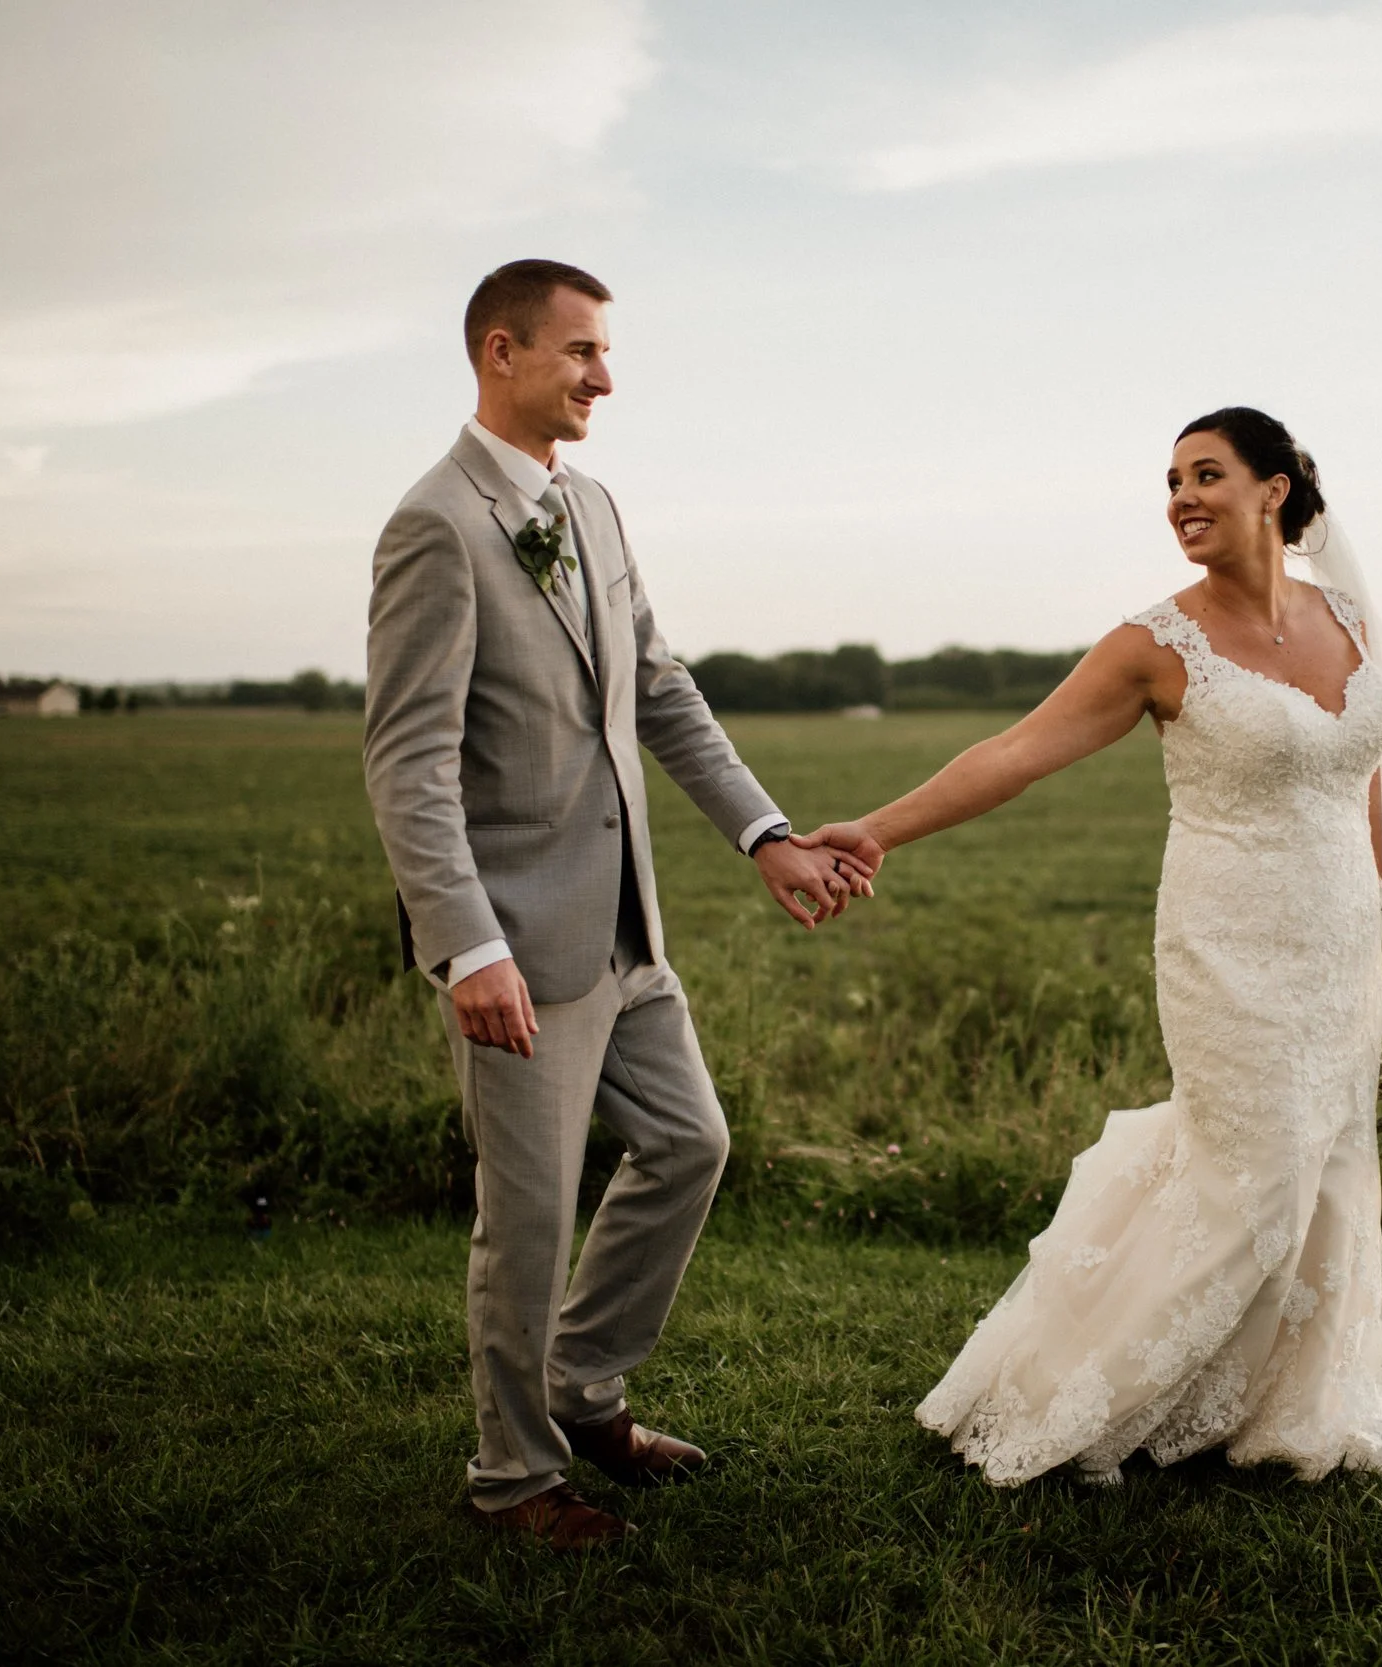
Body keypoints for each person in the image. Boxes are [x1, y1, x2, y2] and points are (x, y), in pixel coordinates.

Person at [797, 407, 1382, 1486]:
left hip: (1335, 943)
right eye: (1171, 480)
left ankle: (1281, 1399)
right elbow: (1016, 752)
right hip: (1224, 939)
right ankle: (1086, 1395)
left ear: (1275, 489)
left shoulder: (1352, 620)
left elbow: (1369, 789)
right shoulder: (1152, 643)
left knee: (1325, 1168)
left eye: (1206, 473)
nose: (1179, 496)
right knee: (1257, 1168)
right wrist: (877, 827)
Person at [363, 259, 867, 1548]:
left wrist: (763, 832)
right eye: (582, 352)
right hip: (518, 942)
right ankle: (515, 1479)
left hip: (630, 922)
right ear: (501, 352)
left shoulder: (589, 504)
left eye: (603, 353)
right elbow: (409, 762)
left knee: (691, 1142)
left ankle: (584, 1390)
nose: (603, 377)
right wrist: (466, 943)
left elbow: (661, 689)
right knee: (524, 1218)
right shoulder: (437, 524)